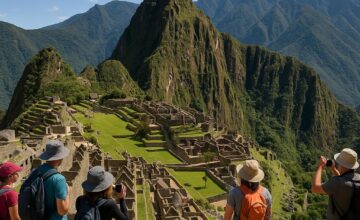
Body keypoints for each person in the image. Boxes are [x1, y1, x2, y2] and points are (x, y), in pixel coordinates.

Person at [311, 148, 360, 220]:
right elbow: (344, 180)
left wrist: (321, 166)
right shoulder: (357, 178)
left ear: (342, 165)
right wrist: (333, 169)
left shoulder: (337, 182)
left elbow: (315, 188)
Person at [36, 139, 71, 220]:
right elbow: (62, 211)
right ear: (60, 158)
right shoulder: (59, 179)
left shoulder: (36, 172)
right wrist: (67, 193)